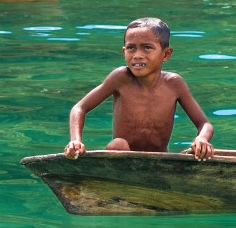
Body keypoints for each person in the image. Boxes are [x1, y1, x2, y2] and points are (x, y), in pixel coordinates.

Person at [64, 17, 215, 159]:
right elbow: (79, 108)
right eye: (131, 48)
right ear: (124, 52)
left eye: (147, 48)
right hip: (122, 157)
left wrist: (201, 140)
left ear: (166, 54)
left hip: (159, 160)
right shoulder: (120, 78)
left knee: (197, 152)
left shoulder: (174, 84)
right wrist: (75, 141)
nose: (137, 55)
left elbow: (205, 124)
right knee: (118, 144)